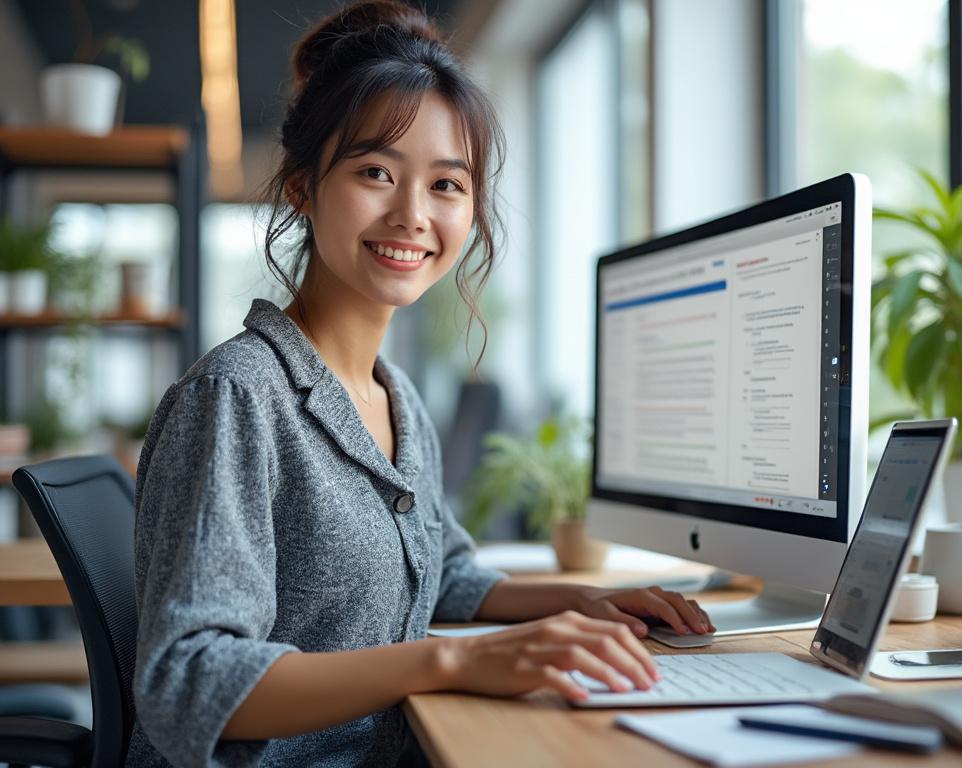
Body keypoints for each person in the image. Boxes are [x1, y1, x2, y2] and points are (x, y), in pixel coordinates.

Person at [127, 2, 713, 765]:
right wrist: (457, 660)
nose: (411, 214)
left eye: (446, 185)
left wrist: (582, 604)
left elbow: (445, 573)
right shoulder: (239, 397)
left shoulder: (393, 397)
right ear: (303, 187)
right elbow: (189, 679)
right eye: (376, 172)